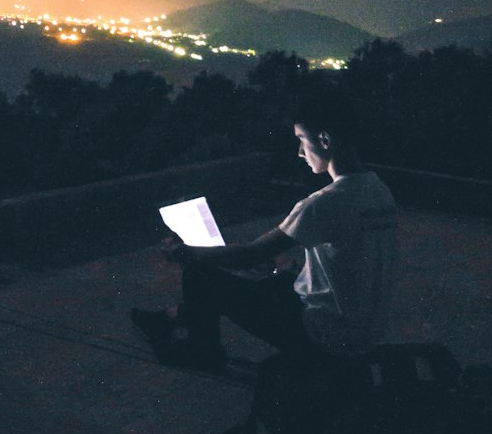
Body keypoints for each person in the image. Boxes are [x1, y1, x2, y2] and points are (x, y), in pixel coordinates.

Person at [131, 79, 398, 374]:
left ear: (324, 140)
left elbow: (250, 254)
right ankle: (170, 317)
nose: (299, 152)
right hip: (364, 333)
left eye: (301, 140)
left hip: (326, 336)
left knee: (201, 273)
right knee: (277, 279)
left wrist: (187, 252)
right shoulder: (378, 190)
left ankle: (203, 352)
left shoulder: (323, 203)